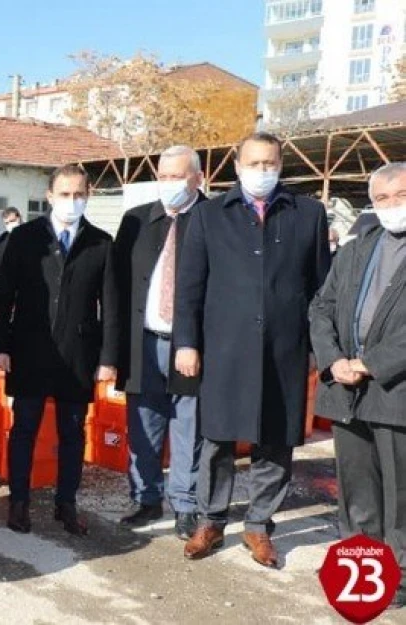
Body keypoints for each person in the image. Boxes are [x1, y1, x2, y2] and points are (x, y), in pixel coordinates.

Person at [175, 131, 330, 568]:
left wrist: (319, 347)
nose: (263, 171)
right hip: (225, 348)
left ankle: (259, 525)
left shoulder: (308, 214)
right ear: (237, 167)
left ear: (280, 165)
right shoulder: (209, 215)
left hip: (285, 348)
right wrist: (187, 343)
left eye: (271, 164)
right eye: (254, 163)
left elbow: (322, 288)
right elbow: (190, 288)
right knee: (217, 439)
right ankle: (211, 520)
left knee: (276, 441)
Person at [0, 164, 118, 536]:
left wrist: (108, 359)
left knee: (73, 432)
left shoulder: (101, 243)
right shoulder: (25, 238)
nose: (72, 201)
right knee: (25, 428)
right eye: (65, 194)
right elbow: (4, 297)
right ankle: (18, 502)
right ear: (49, 196)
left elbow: (110, 307)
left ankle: (66, 502)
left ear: (88, 196)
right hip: (28, 349)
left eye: (79, 194)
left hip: (78, 354)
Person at [309, 162, 406, 608]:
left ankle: (400, 574)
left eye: (401, 196)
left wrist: (370, 363)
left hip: (395, 392)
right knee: (356, 487)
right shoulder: (357, 248)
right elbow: (322, 306)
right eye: (382, 199)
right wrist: (333, 360)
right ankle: (363, 567)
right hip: (348, 389)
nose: (391, 207)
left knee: (399, 492)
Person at [112, 146, 206, 540]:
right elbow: (116, 286)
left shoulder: (212, 220)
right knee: (143, 423)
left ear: (198, 179)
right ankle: (146, 497)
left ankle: (186, 505)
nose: (170, 185)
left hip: (190, 347)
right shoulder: (137, 221)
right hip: (143, 342)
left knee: (189, 426)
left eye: (178, 177)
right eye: (163, 177)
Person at [0, 206, 22, 282]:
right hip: (5, 280)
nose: (9, 224)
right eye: (6, 223)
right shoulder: (4, 237)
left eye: (12, 221)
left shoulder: (30, 235)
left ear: (19, 218)